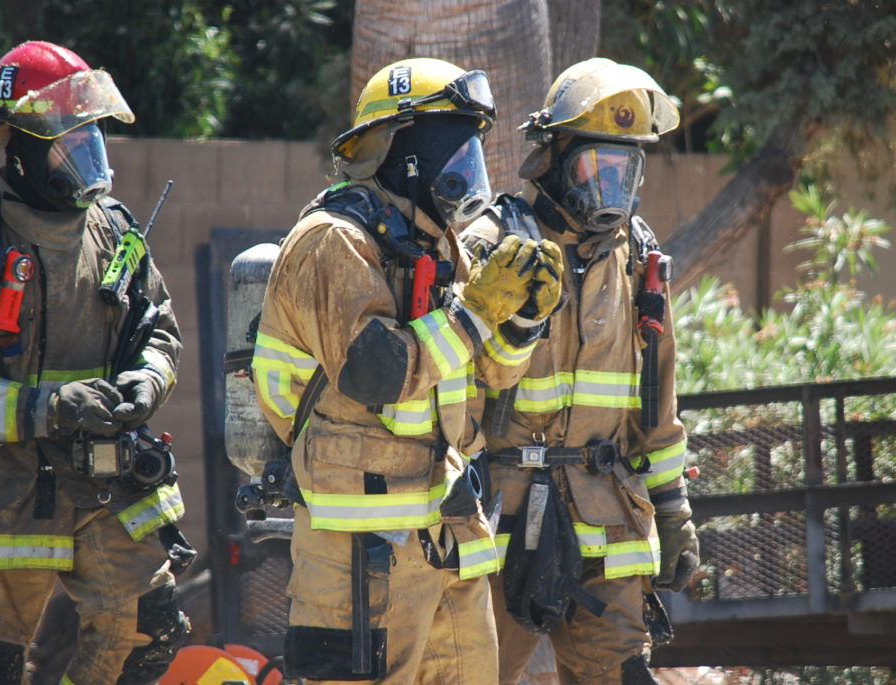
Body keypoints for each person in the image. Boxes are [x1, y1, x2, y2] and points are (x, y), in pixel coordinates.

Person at [251, 57, 563, 683]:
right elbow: (378, 375)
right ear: (404, 152)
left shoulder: (437, 244)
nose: (467, 171)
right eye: (455, 150)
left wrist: (523, 321)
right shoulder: (332, 240)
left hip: (446, 533)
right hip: (359, 551)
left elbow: (490, 373)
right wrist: (478, 313)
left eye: (472, 153)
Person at [459, 57, 699, 684]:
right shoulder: (492, 247)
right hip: (500, 524)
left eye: (626, 170)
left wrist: (673, 511)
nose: (610, 189)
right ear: (554, 159)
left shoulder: (639, 258)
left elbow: (657, 404)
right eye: (598, 167)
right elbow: (451, 387)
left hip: (608, 520)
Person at [0, 41, 190, 684]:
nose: (86, 154)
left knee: (147, 636)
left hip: (105, 486)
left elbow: (159, 329)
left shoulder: (114, 230)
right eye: (68, 141)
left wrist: (147, 380)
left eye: (90, 136)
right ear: (20, 148)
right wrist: (48, 408)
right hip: (2, 499)